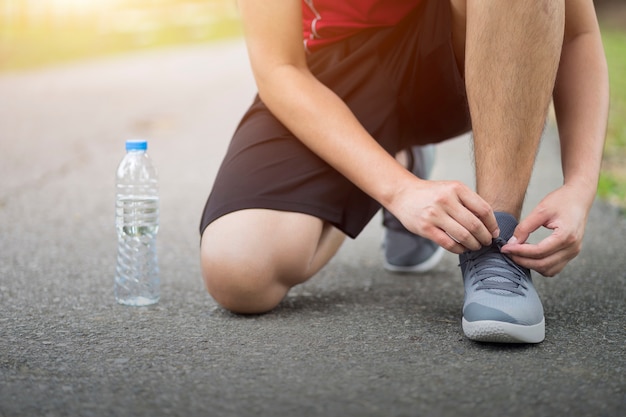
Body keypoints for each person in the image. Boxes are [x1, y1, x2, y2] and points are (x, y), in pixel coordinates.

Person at [199, 0, 608, 343]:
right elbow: (278, 67)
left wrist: (581, 184)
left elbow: (577, 33)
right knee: (240, 271)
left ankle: (495, 246)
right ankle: (397, 162)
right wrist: (398, 190)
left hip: (460, 49)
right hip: (334, 66)